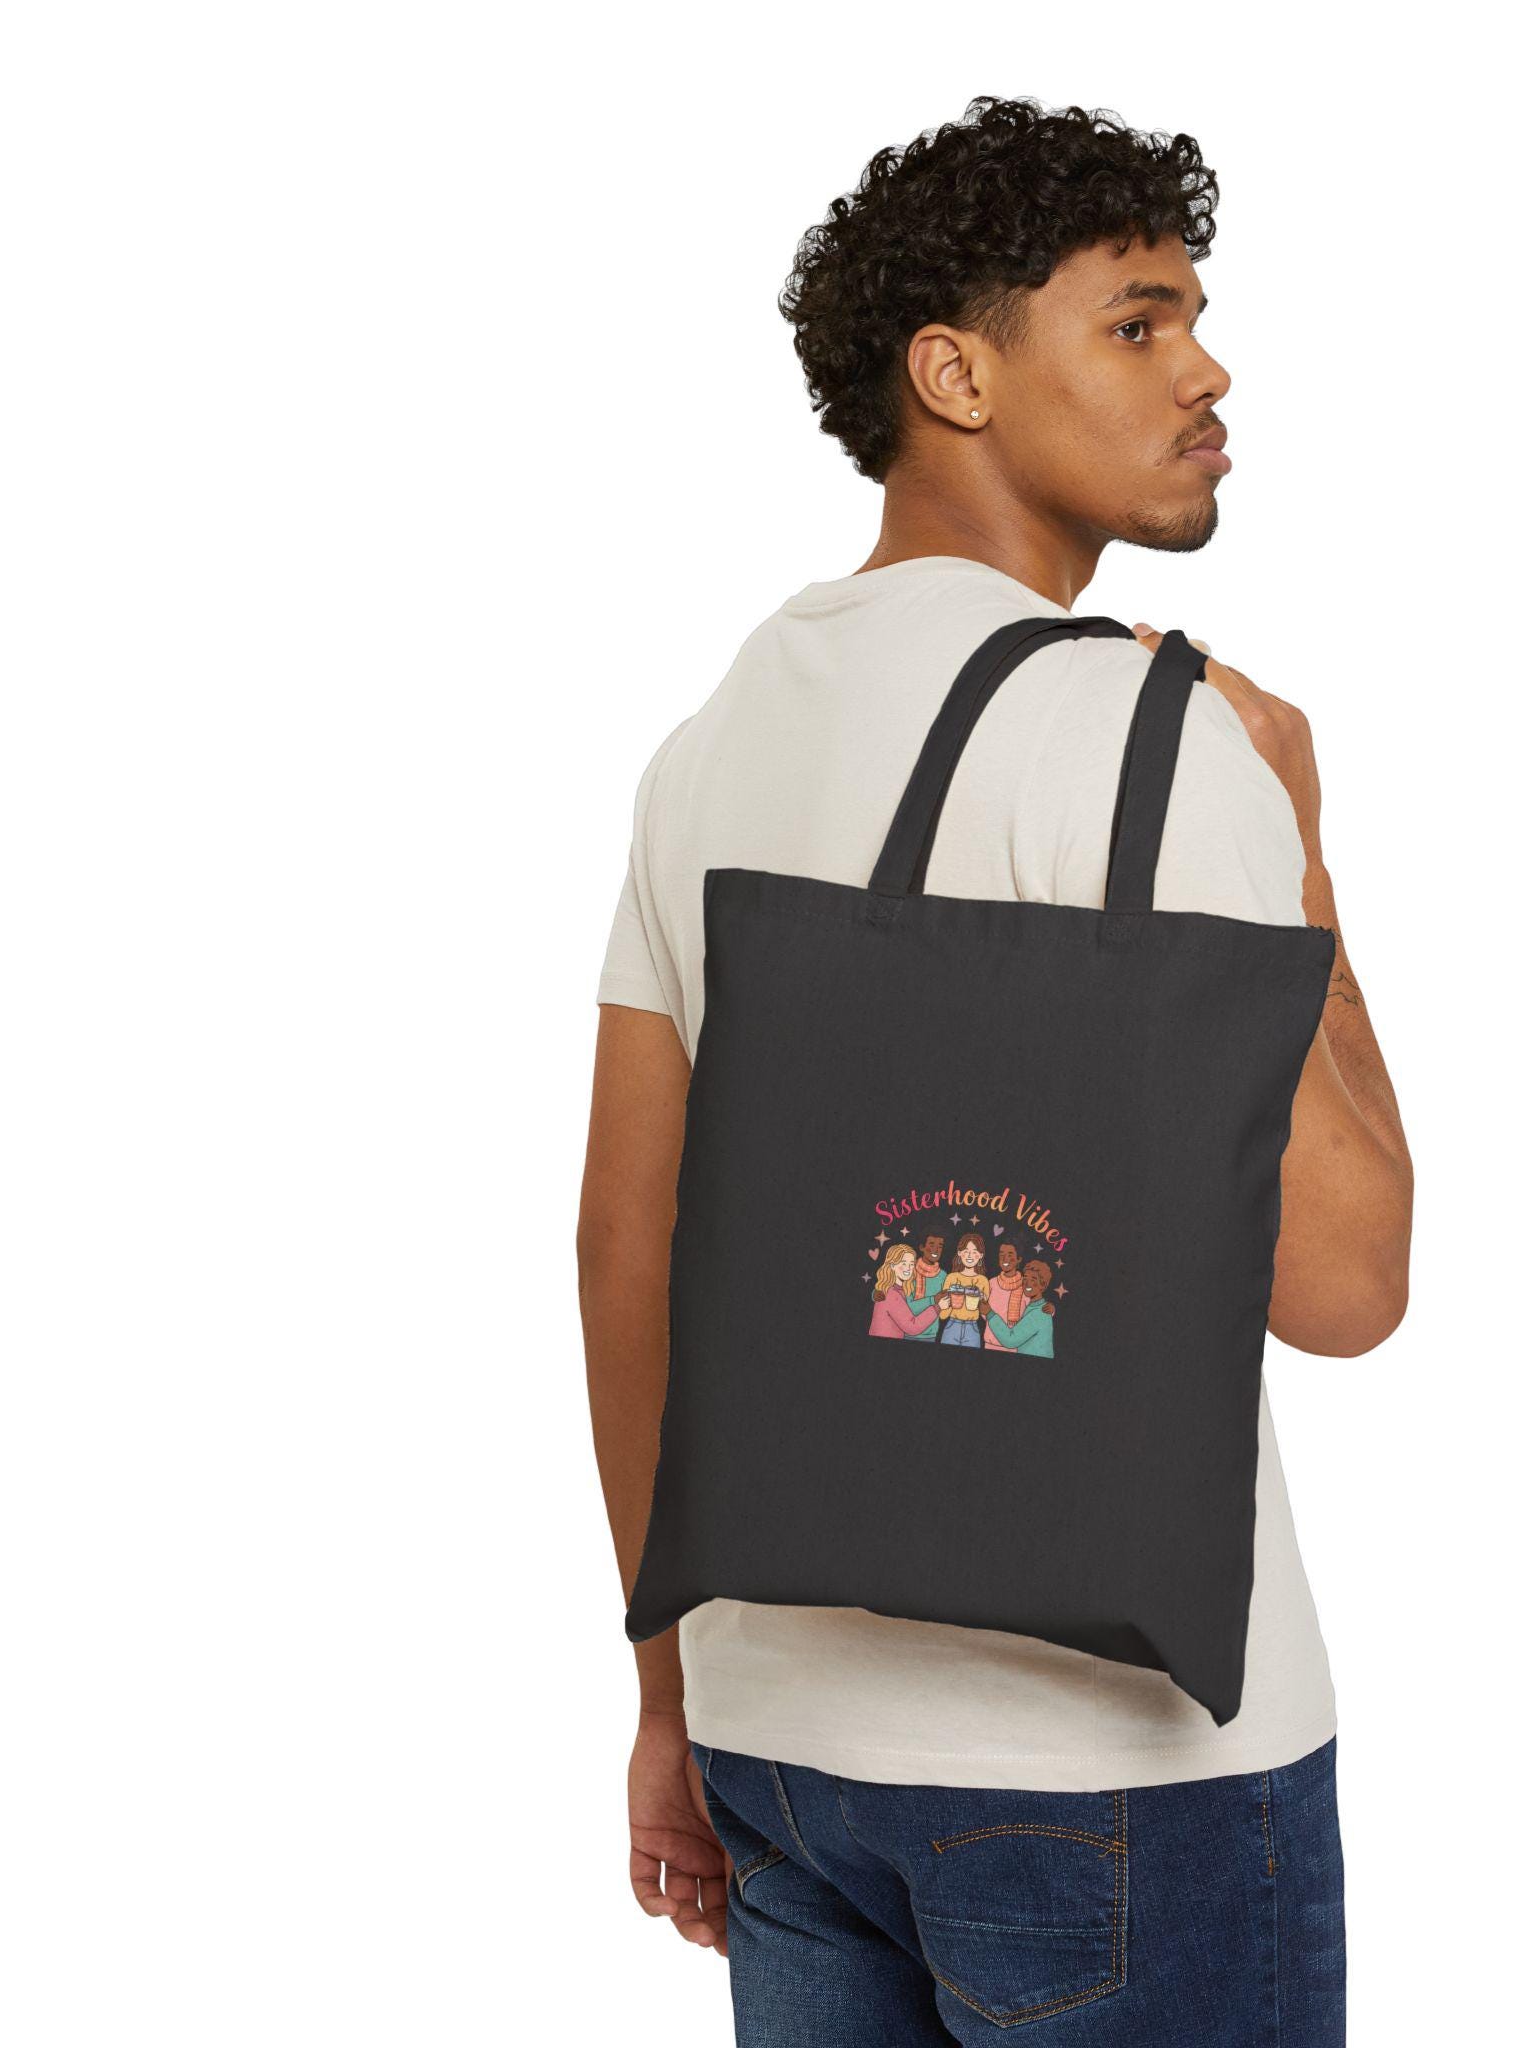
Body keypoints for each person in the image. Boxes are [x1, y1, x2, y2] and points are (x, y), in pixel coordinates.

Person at [577, 95, 1413, 2045]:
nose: (1205, 372)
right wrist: (1298, 851)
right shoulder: (1154, 735)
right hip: (1117, 1773)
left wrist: (667, 1694)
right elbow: (1346, 1283)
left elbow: (627, 1241)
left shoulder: (707, 745)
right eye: (1136, 321)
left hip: (778, 1747)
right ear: (952, 374)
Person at [984, 1257, 1059, 1357]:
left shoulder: (1040, 1312)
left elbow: (1010, 1340)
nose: (1027, 1283)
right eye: (1025, 1278)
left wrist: (989, 1313)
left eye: (1033, 1279)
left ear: (1043, 1285)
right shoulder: (1032, 1305)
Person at [867, 1243, 942, 1340]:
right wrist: (938, 1307)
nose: (908, 1268)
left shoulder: (899, 1290)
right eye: (904, 1263)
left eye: (911, 1264)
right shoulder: (891, 1294)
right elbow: (912, 1327)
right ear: (892, 1265)